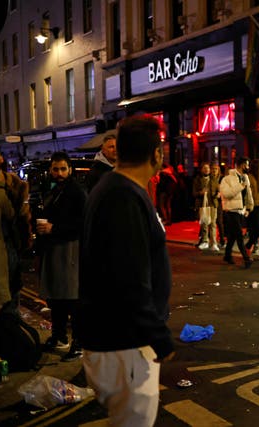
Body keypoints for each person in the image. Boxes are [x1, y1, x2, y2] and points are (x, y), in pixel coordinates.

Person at [77, 115, 175, 426]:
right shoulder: (123, 197)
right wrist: (159, 337)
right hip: (126, 345)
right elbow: (129, 279)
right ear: (155, 154)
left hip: (118, 341)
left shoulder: (116, 188)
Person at [37, 152, 87, 362]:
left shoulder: (76, 191)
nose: (59, 173)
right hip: (55, 247)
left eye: (63, 169)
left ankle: (78, 343)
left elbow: (81, 223)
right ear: (50, 170)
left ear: (70, 170)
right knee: (56, 296)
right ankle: (59, 336)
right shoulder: (54, 189)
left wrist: (53, 228)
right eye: (55, 169)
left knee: (72, 298)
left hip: (70, 249)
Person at [0, 143, 31, 313]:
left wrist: (24, 244)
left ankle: (11, 327)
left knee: (12, 290)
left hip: (10, 245)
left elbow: (22, 217)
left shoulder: (14, 185)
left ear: (1, 158)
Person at [219, 157, 254, 268]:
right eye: (247, 165)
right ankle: (246, 258)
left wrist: (249, 207)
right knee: (239, 235)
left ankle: (227, 255)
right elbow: (226, 194)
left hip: (241, 210)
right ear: (241, 165)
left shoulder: (245, 177)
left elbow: (248, 194)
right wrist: (240, 186)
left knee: (233, 235)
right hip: (231, 210)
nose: (248, 167)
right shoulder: (227, 179)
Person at [192, 163, 220, 251]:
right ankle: (205, 241)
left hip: (212, 203)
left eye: (208, 168)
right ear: (201, 169)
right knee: (204, 223)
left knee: (213, 224)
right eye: (204, 168)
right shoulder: (197, 179)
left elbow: (218, 189)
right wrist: (201, 192)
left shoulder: (213, 179)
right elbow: (194, 193)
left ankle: (214, 243)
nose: (207, 169)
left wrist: (218, 194)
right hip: (202, 204)